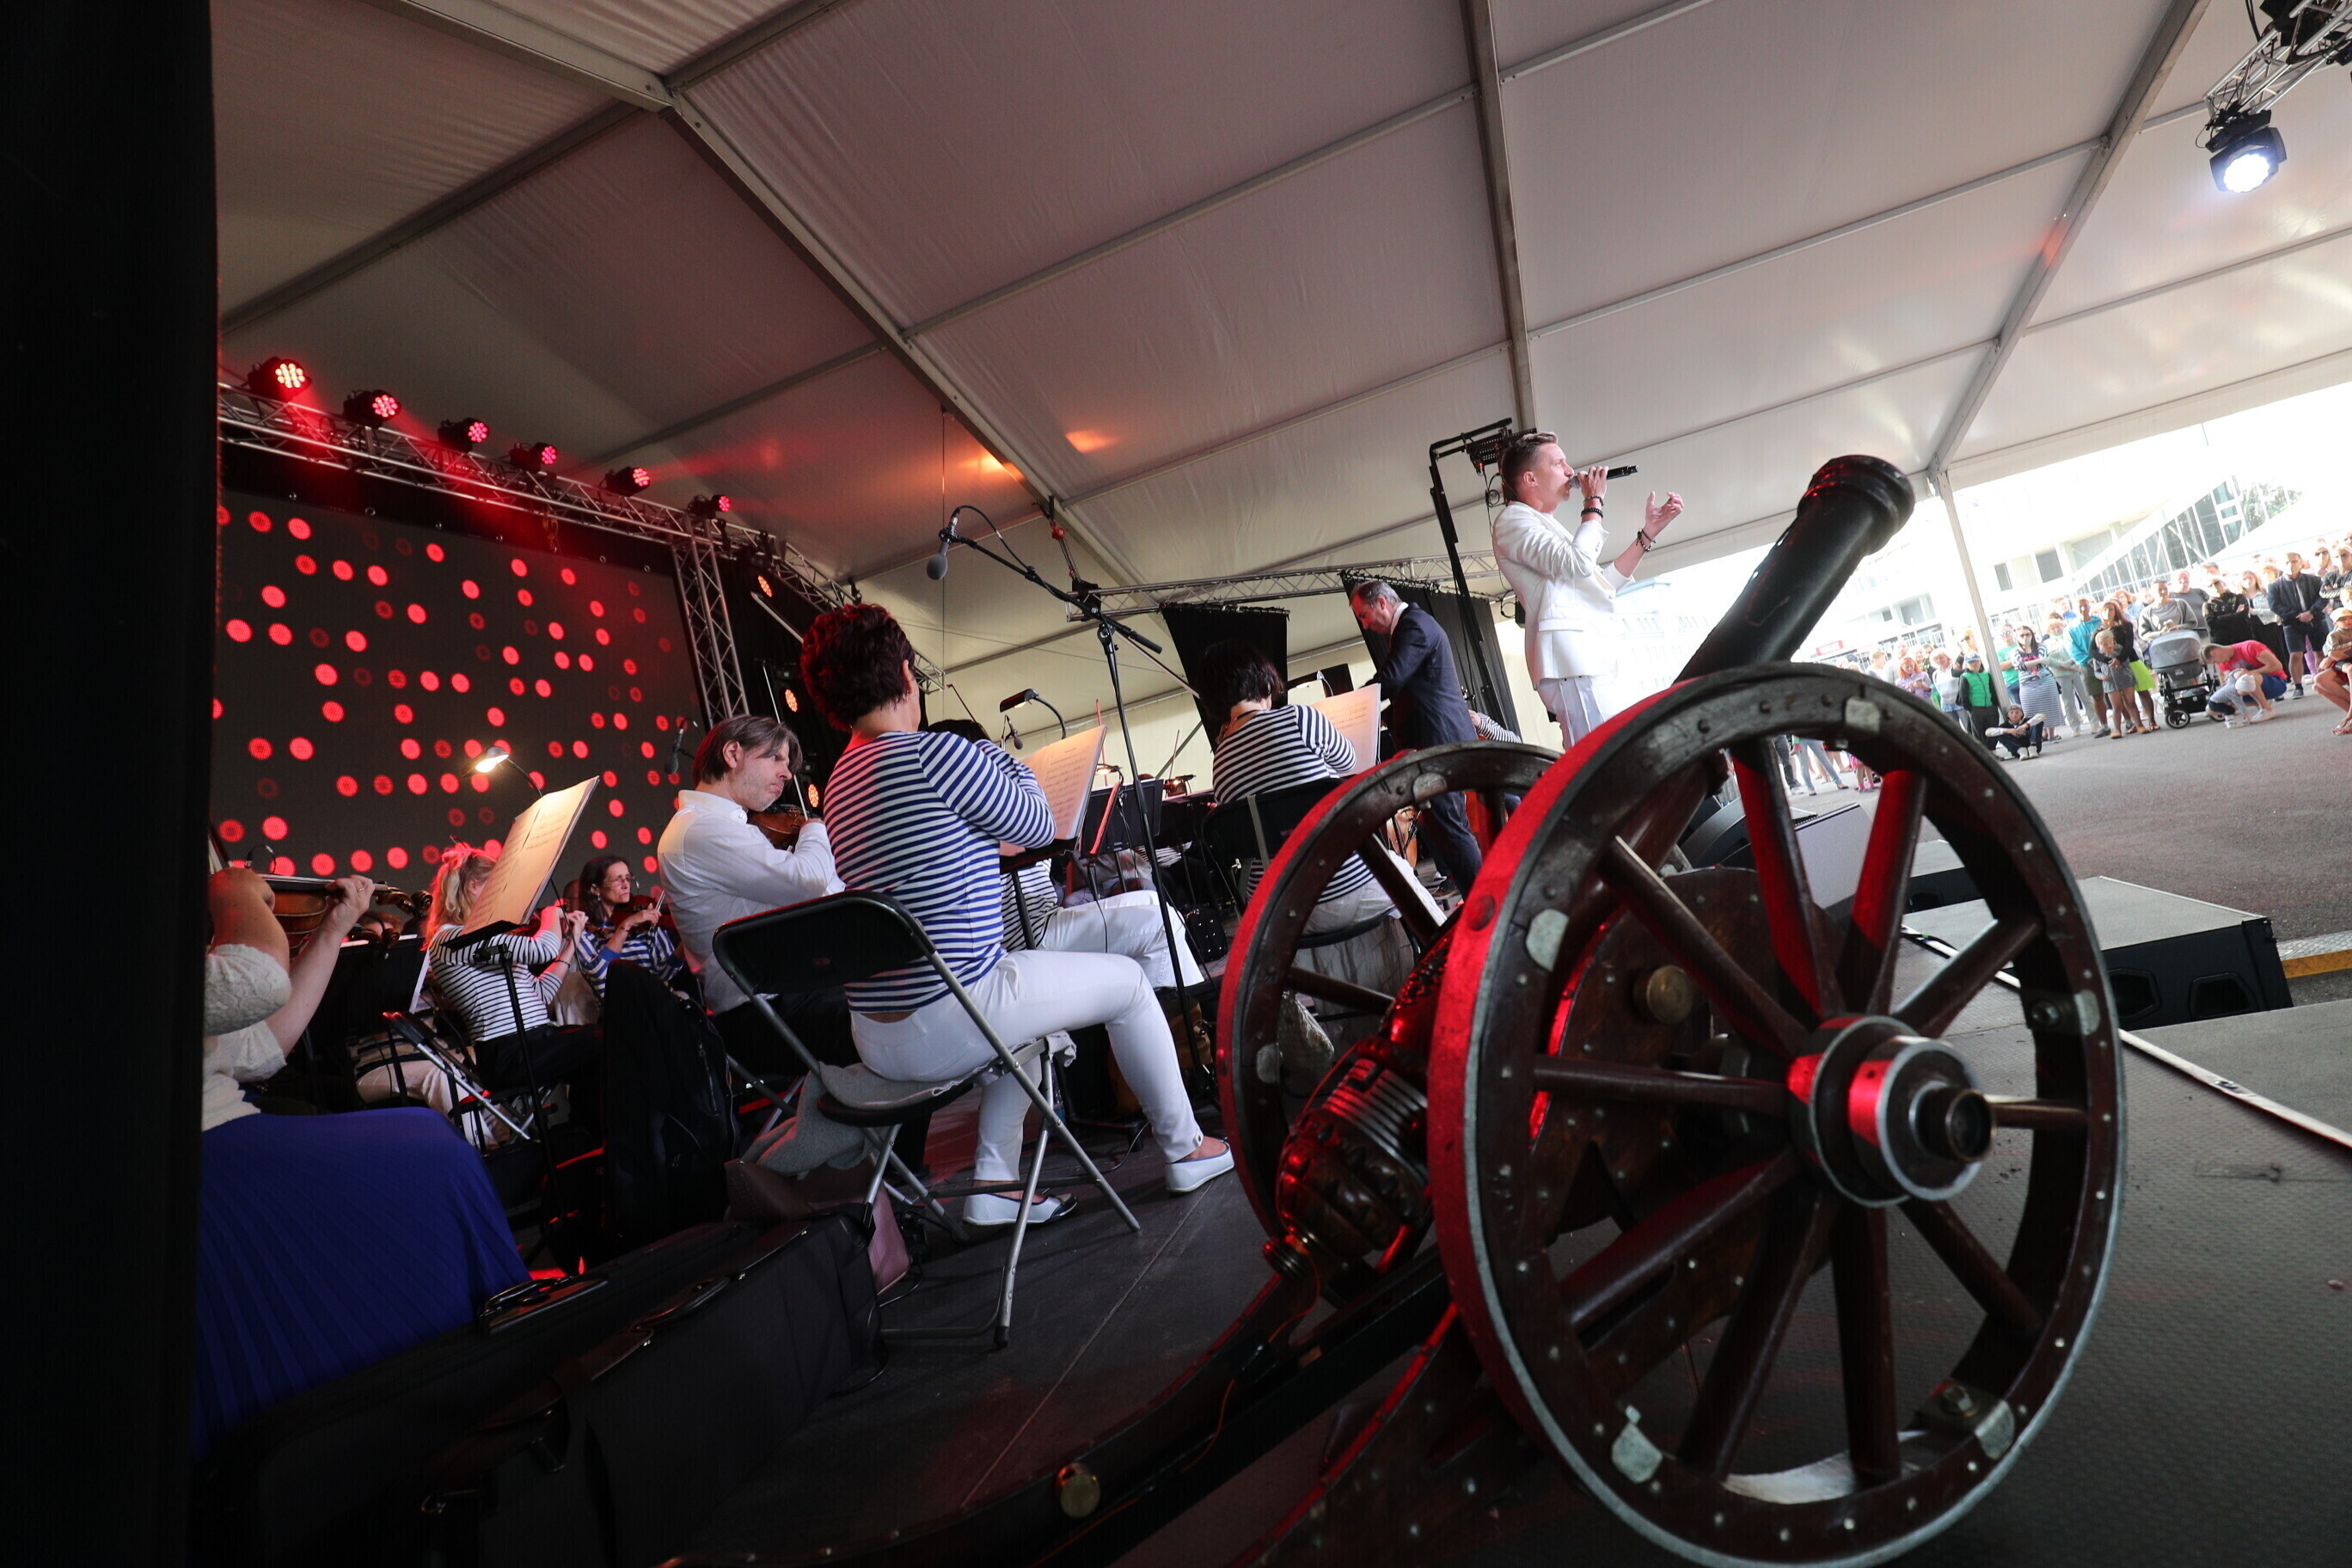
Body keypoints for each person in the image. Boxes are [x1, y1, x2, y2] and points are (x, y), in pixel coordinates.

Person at [801, 603, 1229, 1227]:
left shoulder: (840, 782)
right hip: (954, 1011)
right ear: (904, 672)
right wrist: (1007, 765)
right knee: (1130, 984)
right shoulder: (936, 755)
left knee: (1028, 1026)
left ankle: (995, 1187)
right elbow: (1040, 825)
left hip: (879, 1034)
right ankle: (1187, 1148)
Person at [194, 867, 526, 1457]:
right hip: (199, 1144)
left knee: (431, 1139)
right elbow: (256, 983)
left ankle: (488, 1366)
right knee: (431, 1150)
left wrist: (335, 927)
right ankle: (491, 1378)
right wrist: (234, 894)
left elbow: (265, 1046)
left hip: (224, 1121)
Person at [658, 715, 852, 1078]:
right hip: (767, 1015)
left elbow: (816, 893)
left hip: (787, 998)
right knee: (905, 1017)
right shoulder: (701, 828)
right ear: (733, 754)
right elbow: (807, 881)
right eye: (775, 758)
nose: (787, 774)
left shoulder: (722, 826)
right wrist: (814, 830)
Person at [1488, 431, 1683, 744]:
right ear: (1530, 479)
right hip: (1570, 662)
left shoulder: (1543, 523)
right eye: (1558, 463)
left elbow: (1602, 584)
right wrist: (1594, 502)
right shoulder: (1513, 520)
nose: (1570, 471)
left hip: (1586, 660)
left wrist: (1649, 533)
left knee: (1612, 752)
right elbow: (1578, 563)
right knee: (1601, 757)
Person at [1198, 640, 1397, 933]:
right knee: (1403, 876)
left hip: (1279, 913)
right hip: (1345, 884)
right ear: (1264, 681)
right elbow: (1351, 761)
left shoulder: (1221, 763)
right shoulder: (1299, 718)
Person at [422, 846, 603, 1108]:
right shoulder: (454, 938)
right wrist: (551, 914)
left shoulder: (482, 938)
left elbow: (540, 995)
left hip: (534, 1041)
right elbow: (542, 950)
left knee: (606, 1052)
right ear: (474, 886)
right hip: (509, 1053)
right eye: (499, 886)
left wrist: (570, 943)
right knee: (606, 1042)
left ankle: (590, 1128)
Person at [1345, 580, 1483, 897]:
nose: (1365, 625)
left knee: (1450, 829)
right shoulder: (1409, 627)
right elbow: (1415, 690)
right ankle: (1477, 898)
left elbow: (1393, 678)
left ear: (1382, 603)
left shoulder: (1414, 625)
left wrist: (1353, 706)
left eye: (1364, 615)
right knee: (1446, 828)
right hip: (1435, 740)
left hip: (1438, 740)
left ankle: (1481, 903)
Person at [572, 854, 686, 999]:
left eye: (627, 878)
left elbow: (664, 972)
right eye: (617, 880)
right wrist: (626, 926)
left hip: (657, 1001)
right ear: (595, 889)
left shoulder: (643, 923)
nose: (626, 885)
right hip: (620, 1006)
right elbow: (600, 974)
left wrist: (686, 942)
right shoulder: (583, 931)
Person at [2267, 553, 2329, 695]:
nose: (2291, 565)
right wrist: (2296, 615)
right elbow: (2275, 605)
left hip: (2315, 619)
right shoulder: (2275, 586)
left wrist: (2311, 612)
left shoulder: (2313, 580)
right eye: (2287, 562)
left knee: (2320, 651)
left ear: (2300, 563)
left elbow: (2323, 597)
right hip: (2292, 624)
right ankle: (2298, 687)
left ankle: (2324, 681)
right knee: (2295, 655)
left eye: (2294, 561)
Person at [2101, 601, 2159, 732]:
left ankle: (2152, 721)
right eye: (2105, 610)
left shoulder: (2126, 625)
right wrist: (2108, 661)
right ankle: (2135, 723)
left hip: (2132, 662)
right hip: (2116, 667)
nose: (2108, 612)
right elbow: (2093, 650)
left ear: (2116, 611)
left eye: (2111, 609)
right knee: (2127, 698)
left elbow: (2128, 645)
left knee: (2144, 692)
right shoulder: (2100, 630)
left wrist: (2119, 659)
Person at [2201, 639, 2286, 726]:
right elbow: (2231, 685)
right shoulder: (2223, 663)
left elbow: (2277, 665)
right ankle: (2261, 701)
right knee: (2211, 708)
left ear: (2214, 653)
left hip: (2275, 682)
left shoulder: (2249, 647)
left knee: (2246, 678)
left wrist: (2249, 673)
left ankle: (2267, 709)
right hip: (2247, 688)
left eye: (2215, 662)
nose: (2217, 663)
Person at [2008, 628, 2066, 741]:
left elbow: (2044, 662)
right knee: (2031, 711)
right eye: (2022, 635)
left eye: (2028, 634)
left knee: (2050, 708)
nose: (2025, 637)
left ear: (2032, 635)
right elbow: (2019, 666)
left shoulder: (2041, 646)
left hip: (2045, 681)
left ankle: (2051, 734)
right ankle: (2042, 734)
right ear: (2017, 637)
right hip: (2027, 684)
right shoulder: (2014, 651)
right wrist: (2038, 661)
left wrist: (2032, 663)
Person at [2041, 616, 2092, 734]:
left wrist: (2074, 663)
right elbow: (2049, 659)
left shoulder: (2070, 638)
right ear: (2049, 631)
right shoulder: (2046, 644)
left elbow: (2078, 651)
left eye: (2058, 627)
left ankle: (2094, 722)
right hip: (2060, 674)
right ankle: (2075, 727)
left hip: (2077, 670)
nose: (2056, 630)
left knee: (2086, 696)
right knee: (2068, 702)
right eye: (2053, 628)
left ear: (2063, 626)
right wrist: (2065, 666)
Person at [2092, 629, 2140, 737]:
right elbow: (2096, 671)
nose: (2109, 645)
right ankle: (2117, 729)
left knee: (2131, 702)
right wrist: (2101, 676)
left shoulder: (2120, 650)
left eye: (2110, 642)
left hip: (2126, 680)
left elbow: (2127, 662)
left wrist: (2118, 660)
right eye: (2105, 644)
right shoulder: (2098, 657)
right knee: (2117, 706)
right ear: (2099, 645)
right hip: (2110, 684)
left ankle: (2139, 725)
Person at [2316, 607, 2352, 735]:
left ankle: (2350, 715)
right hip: (2344, 661)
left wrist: (2333, 655)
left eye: (2349, 617)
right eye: (2343, 619)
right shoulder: (2335, 634)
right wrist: (2331, 656)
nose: (2347, 621)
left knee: (2350, 670)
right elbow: (2332, 650)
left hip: (2347, 662)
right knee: (2319, 682)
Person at [1957, 653, 2002, 741]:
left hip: (1990, 706)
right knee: (1978, 732)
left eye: (1976, 661)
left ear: (1980, 662)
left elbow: (1992, 689)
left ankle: (1992, 748)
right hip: (1976, 708)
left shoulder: (1986, 674)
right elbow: (1963, 694)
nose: (1974, 664)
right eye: (1970, 662)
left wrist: (1994, 704)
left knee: (1993, 729)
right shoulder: (1965, 676)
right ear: (1966, 664)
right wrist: (1969, 708)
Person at [1982, 705, 2049, 759]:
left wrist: (2026, 725)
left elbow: (2042, 716)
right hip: (2018, 751)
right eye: (2011, 712)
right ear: (2007, 715)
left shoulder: (2027, 721)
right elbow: (1988, 732)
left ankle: (2032, 746)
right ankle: (2020, 750)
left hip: (2034, 747)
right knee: (1999, 732)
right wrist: (2008, 731)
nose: (2014, 715)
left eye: (2017, 712)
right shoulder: (2004, 725)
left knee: (2037, 722)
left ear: (2022, 714)